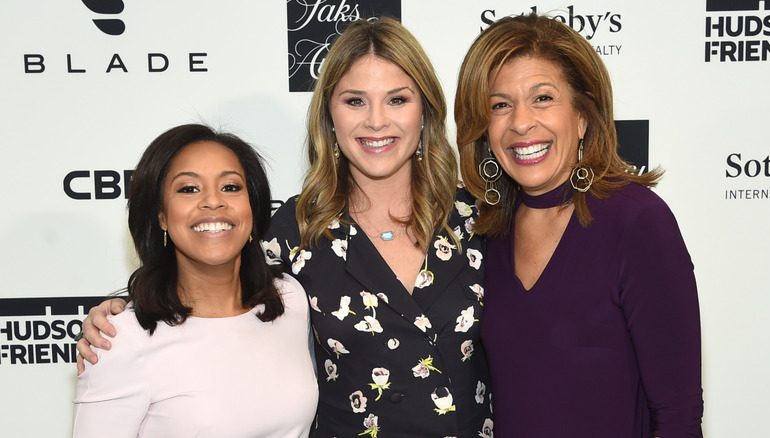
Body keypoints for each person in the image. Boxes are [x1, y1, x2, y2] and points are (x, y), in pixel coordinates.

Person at [76, 18, 493, 438]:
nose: (376, 121)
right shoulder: (296, 229)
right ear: (329, 116)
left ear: (426, 111)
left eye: (397, 99)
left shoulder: (479, 218)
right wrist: (124, 315)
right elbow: (214, 287)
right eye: (355, 101)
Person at [455, 13, 704, 437]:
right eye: (500, 105)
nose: (520, 122)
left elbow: (678, 415)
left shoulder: (637, 222)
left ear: (583, 116)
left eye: (542, 98)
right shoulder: (485, 232)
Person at [72, 124, 318, 438]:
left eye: (230, 187)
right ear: (161, 216)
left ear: (252, 207)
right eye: (189, 189)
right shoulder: (120, 340)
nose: (213, 201)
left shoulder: (289, 299)